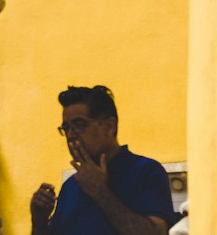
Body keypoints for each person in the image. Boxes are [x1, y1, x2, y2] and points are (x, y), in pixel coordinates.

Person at [30, 85, 179, 235]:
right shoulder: (70, 187)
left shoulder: (146, 172)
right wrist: (39, 223)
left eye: (79, 125)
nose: (71, 135)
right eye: (66, 127)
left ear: (109, 126)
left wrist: (100, 193)